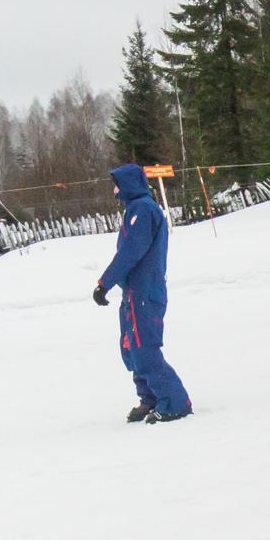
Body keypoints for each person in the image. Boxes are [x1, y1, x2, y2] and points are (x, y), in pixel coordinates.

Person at [92, 165, 192, 423]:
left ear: (128, 184)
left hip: (146, 290)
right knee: (132, 348)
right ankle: (150, 397)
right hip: (134, 291)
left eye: (117, 184)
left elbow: (131, 252)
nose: (114, 191)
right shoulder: (134, 210)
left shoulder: (143, 210)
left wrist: (105, 282)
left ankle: (174, 402)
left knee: (145, 347)